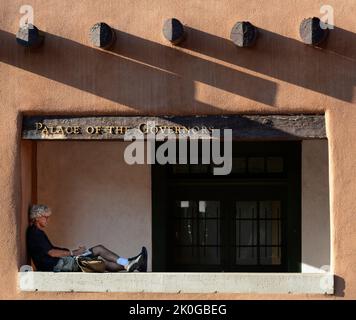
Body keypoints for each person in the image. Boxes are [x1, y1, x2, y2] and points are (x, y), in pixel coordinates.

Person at [26, 204, 147, 272]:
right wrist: (73, 253)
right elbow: (52, 253)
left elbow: (52, 250)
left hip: (62, 263)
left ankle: (132, 263)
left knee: (101, 262)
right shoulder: (35, 233)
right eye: (45, 217)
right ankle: (131, 263)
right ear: (37, 217)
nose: (48, 219)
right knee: (99, 250)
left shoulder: (36, 233)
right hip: (59, 265)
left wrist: (73, 253)